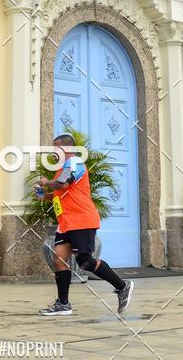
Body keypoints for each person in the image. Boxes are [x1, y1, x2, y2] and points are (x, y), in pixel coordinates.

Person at [37, 134, 134, 316]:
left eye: (56, 147)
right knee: (59, 259)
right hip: (66, 222)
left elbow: (62, 185)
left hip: (81, 220)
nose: (53, 151)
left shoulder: (74, 163)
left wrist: (46, 182)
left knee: (85, 262)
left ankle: (123, 286)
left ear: (66, 149)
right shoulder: (62, 168)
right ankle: (63, 304)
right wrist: (45, 195)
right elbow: (60, 194)